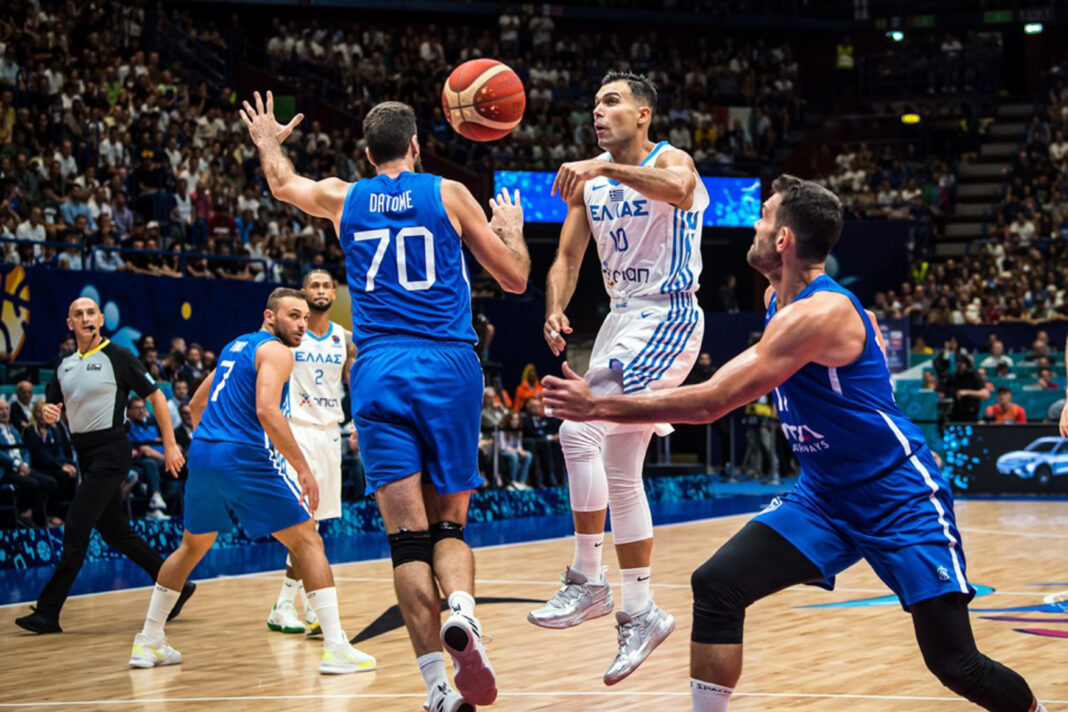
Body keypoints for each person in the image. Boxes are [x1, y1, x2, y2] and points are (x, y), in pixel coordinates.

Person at [542, 174, 1048, 712]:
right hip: (824, 498)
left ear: (783, 239)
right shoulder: (776, 299)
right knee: (717, 584)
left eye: (763, 218)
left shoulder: (820, 313)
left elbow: (714, 401)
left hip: (896, 498)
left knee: (955, 663)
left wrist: (599, 407)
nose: (754, 225)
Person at [241, 92, 529, 710]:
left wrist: (268, 142)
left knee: (407, 541)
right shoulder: (449, 193)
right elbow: (514, 277)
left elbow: (284, 185)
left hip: (378, 369)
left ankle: (437, 690)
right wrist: (513, 234)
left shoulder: (344, 196)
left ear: (368, 154)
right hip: (448, 366)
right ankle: (463, 611)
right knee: (449, 525)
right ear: (416, 146)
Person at [532, 70, 708, 684]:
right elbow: (567, 257)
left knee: (577, 428)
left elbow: (681, 189)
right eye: (595, 104)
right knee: (620, 468)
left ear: (643, 115)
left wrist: (604, 167)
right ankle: (640, 609)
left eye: (611, 102)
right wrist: (555, 306)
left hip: (669, 314)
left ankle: (587, 580)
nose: (599, 112)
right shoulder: (590, 184)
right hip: (619, 321)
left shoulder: (671, 161)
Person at [128, 288, 376, 675]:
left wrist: (213, 440)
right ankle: (336, 647)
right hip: (242, 454)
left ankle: (149, 640)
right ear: (269, 316)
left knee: (192, 546)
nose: (301, 324)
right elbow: (266, 411)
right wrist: (302, 468)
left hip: (204, 454)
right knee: (308, 539)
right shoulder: (277, 351)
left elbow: (195, 404)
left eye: (305, 317)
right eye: (293, 315)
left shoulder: (235, 346)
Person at [15, 297, 190, 634]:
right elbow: (52, 405)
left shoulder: (118, 356)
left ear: (100, 319)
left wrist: (170, 445)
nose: (85, 318)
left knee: (76, 525)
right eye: (78, 314)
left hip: (112, 451)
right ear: (70, 323)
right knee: (115, 532)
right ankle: (177, 586)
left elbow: (156, 396)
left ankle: (48, 611)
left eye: (91, 313)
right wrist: (49, 411)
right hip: (84, 454)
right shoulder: (64, 365)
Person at [266, 269, 356, 637]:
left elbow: (356, 383)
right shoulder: (288, 336)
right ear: (303, 292)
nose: (320, 290)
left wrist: (360, 421)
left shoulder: (345, 339)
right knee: (304, 524)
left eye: (325, 286)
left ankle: (288, 604)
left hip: (329, 434)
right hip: (295, 431)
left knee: (314, 523)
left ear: (334, 293)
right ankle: (294, 605)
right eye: (313, 285)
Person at [0, 398, 57, 527]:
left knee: (50, 482)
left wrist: (25, 464)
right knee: (33, 484)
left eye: (7, 409)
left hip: (22, 468)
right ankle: (25, 512)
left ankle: (34, 516)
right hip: (7, 471)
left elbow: (25, 450)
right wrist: (17, 465)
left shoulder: (13, 430)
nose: (5, 412)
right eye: (1, 409)